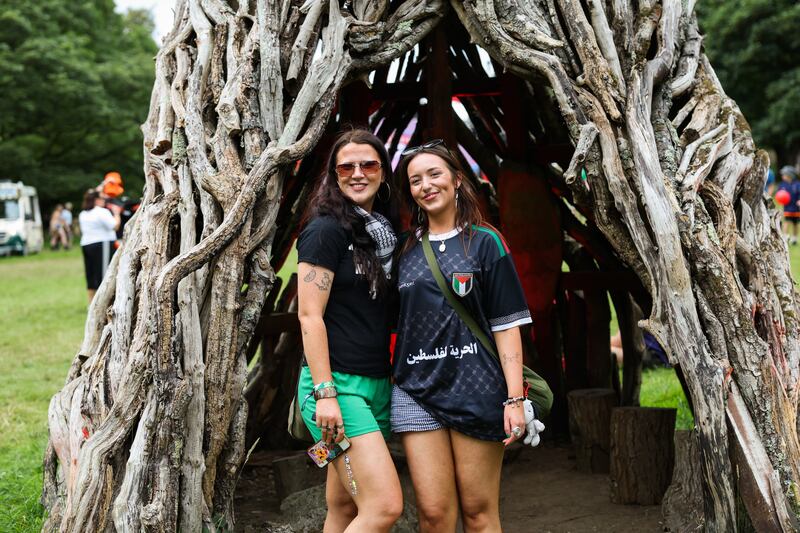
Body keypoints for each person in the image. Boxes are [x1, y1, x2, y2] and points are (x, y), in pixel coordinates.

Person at [392, 140, 538, 532]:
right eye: (415, 180)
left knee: (478, 512)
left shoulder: (485, 243)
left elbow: (506, 325)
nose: (426, 185)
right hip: (416, 389)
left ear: (457, 180)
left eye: (434, 174)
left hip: (477, 387)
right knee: (435, 515)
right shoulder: (404, 250)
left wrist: (514, 399)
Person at [296, 129, 403, 532]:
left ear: (383, 172)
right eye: (347, 166)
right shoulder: (326, 231)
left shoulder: (382, 235)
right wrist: (326, 395)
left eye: (369, 164)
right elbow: (310, 317)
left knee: (343, 508)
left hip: (375, 381)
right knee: (383, 506)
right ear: (334, 175)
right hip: (336, 387)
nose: (358, 173)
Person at [79, 189, 121, 303]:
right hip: (102, 243)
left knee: (91, 276)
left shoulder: (83, 213)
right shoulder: (101, 211)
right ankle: (104, 303)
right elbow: (114, 226)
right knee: (104, 274)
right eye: (102, 199)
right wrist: (117, 213)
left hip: (86, 244)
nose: (104, 201)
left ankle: (91, 304)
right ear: (96, 200)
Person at [777, 165, 800, 244]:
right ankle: (785, 236)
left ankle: (794, 238)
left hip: (796, 208)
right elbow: (779, 195)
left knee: (795, 223)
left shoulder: (797, 184)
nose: (783, 176)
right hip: (787, 207)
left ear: (790, 175)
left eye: (784, 175)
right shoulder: (782, 185)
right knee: (786, 222)